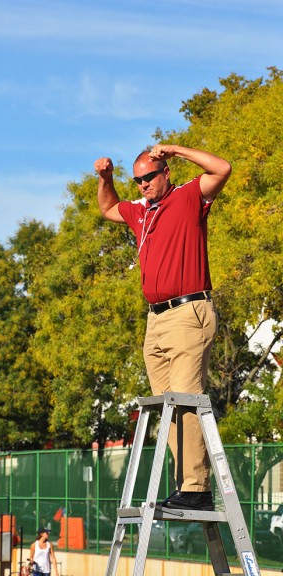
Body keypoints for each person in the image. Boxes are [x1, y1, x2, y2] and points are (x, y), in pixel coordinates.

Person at [94, 144, 231, 511]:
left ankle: (197, 488)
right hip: (155, 319)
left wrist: (175, 149)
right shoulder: (141, 212)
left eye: (149, 177)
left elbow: (222, 167)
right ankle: (185, 482)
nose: (143, 185)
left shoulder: (188, 196)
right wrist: (106, 179)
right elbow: (107, 207)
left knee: (186, 401)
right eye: (137, 180)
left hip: (189, 313)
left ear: (165, 172)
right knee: (168, 407)